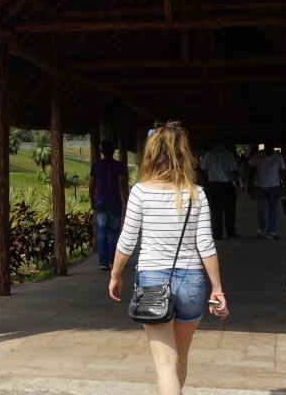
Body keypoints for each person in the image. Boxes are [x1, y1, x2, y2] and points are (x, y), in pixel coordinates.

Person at [109, 122, 229, 395]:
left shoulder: (140, 192)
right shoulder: (197, 193)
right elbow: (206, 245)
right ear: (183, 155)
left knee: (165, 364)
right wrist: (217, 289)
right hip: (192, 282)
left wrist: (115, 274)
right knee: (179, 358)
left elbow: (127, 240)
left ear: (151, 154)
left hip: (152, 280)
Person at [89, 140, 127, 270]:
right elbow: (121, 185)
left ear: (102, 151)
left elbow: (91, 184)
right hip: (114, 203)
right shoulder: (118, 166)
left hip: (100, 203)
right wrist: (124, 201)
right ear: (113, 151)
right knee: (113, 233)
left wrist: (92, 200)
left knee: (101, 232)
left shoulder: (96, 165)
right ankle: (112, 261)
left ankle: (103, 262)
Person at [199, 143, 239, 239]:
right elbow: (234, 171)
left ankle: (217, 233)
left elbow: (203, 170)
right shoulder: (228, 154)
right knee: (230, 210)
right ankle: (230, 232)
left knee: (215, 211)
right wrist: (237, 184)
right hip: (227, 186)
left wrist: (205, 183)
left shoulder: (209, 154)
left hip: (213, 186)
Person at [250, 146, 286, 239]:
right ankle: (260, 227)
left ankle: (272, 231)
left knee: (274, 210)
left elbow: (282, 171)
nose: (269, 147)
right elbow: (252, 171)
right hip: (260, 187)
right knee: (260, 209)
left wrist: (285, 184)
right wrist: (249, 184)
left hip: (275, 187)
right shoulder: (256, 157)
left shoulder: (279, 157)